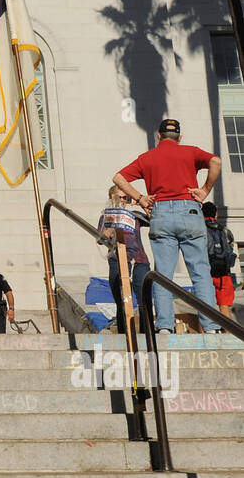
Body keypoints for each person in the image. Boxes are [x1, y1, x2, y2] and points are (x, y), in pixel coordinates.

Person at [114, 118, 220, 334]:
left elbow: (118, 177)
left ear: (159, 136)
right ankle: (211, 327)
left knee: (163, 273)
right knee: (200, 271)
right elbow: (216, 161)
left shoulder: (147, 158)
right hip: (189, 210)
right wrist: (205, 190)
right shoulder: (190, 152)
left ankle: (164, 327)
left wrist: (141, 198)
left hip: (160, 212)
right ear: (179, 137)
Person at [97, 186, 150, 334]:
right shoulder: (107, 217)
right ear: (111, 198)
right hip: (117, 259)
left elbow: (153, 219)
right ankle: (124, 333)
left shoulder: (135, 216)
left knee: (143, 298)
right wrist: (108, 232)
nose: (122, 200)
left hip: (139, 259)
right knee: (122, 299)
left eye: (124, 197)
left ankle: (146, 333)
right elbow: (100, 238)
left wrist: (141, 203)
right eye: (118, 197)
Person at [202, 201, 237, 313]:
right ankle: (227, 330)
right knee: (224, 307)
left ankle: (206, 331)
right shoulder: (225, 231)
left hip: (206, 274)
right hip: (224, 275)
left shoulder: (200, 230)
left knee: (204, 308)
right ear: (216, 215)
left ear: (201, 215)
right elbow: (230, 250)